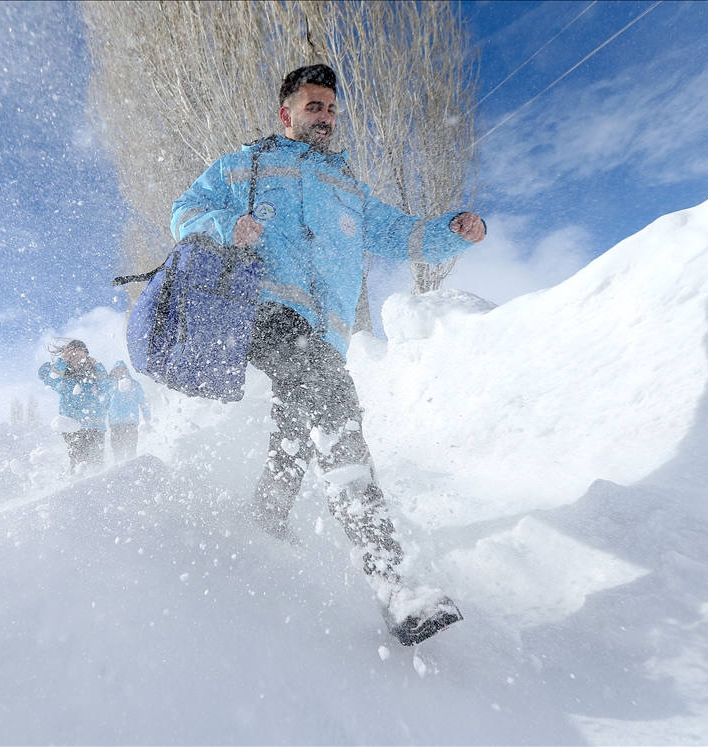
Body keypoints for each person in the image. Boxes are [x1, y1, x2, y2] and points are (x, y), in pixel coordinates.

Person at [170, 64, 486, 644]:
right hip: (263, 310)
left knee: (296, 430)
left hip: (325, 335)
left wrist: (452, 230)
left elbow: (401, 234)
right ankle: (394, 585)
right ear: (286, 113)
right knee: (335, 410)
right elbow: (183, 211)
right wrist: (225, 224)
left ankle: (261, 524)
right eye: (314, 106)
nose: (326, 116)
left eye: (332, 108)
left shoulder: (346, 186)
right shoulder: (244, 165)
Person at [38, 339, 110, 473]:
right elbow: (52, 382)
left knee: (96, 465)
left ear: (87, 357)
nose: (78, 360)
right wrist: (62, 361)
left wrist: (98, 366)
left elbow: (107, 388)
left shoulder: (94, 373)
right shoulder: (64, 376)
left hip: (95, 426)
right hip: (72, 426)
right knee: (78, 464)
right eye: (73, 356)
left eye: (81, 356)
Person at [107, 361, 152, 462]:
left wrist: (147, 414)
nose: (121, 371)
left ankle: (131, 470)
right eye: (118, 369)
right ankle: (118, 472)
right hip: (115, 423)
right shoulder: (110, 386)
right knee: (117, 452)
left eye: (123, 369)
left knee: (131, 451)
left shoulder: (134, 384)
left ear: (126, 370)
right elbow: (104, 403)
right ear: (114, 371)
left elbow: (143, 400)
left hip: (131, 423)